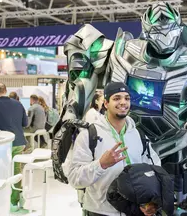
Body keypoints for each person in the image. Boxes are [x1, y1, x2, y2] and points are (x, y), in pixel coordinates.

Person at [68, 82, 161, 216]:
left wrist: (150, 202)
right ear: (106, 103)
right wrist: (101, 164)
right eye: (117, 98)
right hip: (99, 211)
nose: (123, 102)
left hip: (133, 210)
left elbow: (154, 168)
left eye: (127, 98)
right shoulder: (89, 135)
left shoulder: (139, 135)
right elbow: (74, 178)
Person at [0, 83, 28, 212]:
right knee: (16, 171)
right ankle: (15, 200)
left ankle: (1, 198)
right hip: (20, 142)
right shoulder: (18, 104)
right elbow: (25, 123)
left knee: (1, 170)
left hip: (4, 143)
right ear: (6, 90)